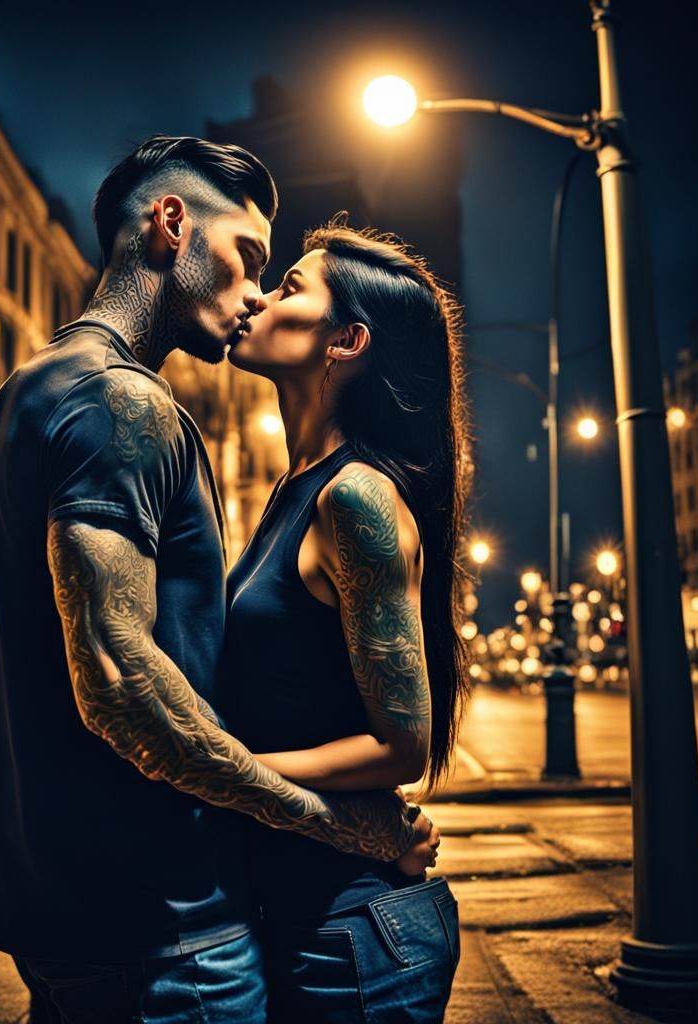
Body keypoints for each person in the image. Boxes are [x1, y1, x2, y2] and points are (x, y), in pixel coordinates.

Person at [0, 139, 438, 1024]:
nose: (256, 290)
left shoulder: (18, 404)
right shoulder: (124, 404)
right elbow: (122, 688)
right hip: (163, 933)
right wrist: (341, 823)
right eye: (250, 257)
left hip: (66, 919)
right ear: (170, 225)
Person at [221, 218, 471, 1021]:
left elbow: (401, 744)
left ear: (346, 340)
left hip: (355, 938)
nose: (258, 297)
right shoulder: (296, 489)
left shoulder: (356, 496)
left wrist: (223, 773)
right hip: (307, 922)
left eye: (290, 287)